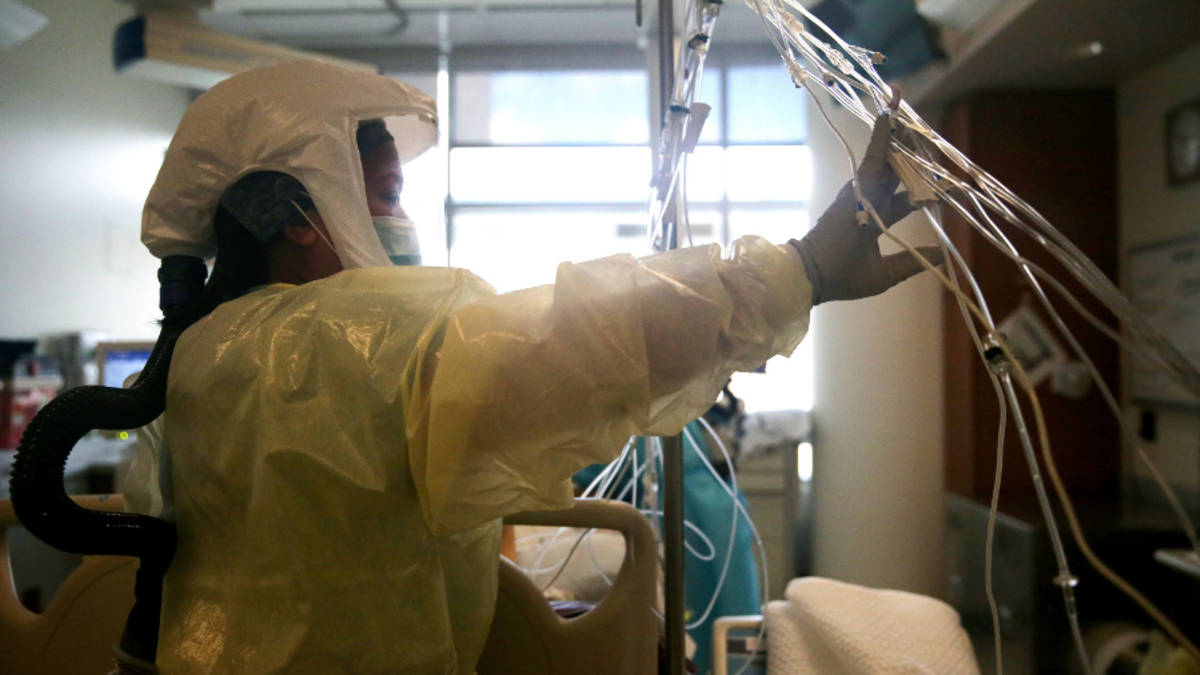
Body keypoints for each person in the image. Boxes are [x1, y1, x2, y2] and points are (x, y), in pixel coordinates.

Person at [124, 60, 940, 674]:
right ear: (302, 214)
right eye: (388, 193)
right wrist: (799, 271)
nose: (400, 221)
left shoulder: (194, 355)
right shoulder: (347, 341)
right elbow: (582, 343)